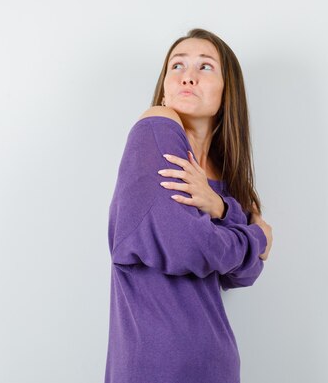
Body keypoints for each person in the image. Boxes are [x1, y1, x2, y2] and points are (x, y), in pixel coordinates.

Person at [104, 28, 273, 383]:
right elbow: (187, 246)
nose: (188, 75)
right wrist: (255, 236)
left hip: (217, 364)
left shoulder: (229, 179)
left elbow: (245, 274)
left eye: (205, 67)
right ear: (164, 86)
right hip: (153, 367)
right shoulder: (155, 129)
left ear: (228, 92)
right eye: (176, 65)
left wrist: (223, 208)